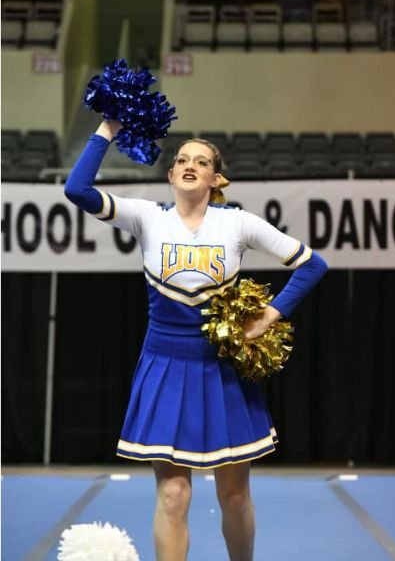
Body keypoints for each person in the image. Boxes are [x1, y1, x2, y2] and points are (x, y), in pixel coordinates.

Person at [64, 120, 328, 560]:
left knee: (235, 495)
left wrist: (271, 314)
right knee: (172, 495)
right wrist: (107, 128)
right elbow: (77, 190)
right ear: (170, 175)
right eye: (181, 160)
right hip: (164, 364)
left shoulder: (238, 223)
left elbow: (313, 264)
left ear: (215, 178)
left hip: (220, 370)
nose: (189, 166)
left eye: (201, 162)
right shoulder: (147, 217)